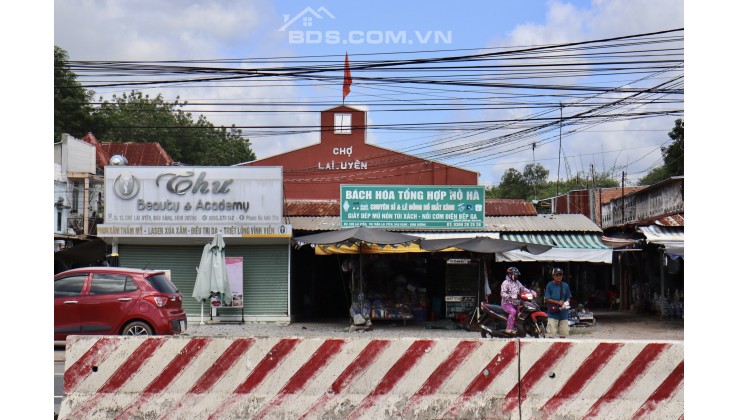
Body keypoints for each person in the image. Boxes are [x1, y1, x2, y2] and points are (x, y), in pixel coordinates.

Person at [500, 267, 532, 335]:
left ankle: (517, 330)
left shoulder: (517, 282)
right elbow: (503, 293)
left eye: (517, 275)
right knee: (513, 312)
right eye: (515, 275)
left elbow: (523, 288)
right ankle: (509, 329)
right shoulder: (505, 283)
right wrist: (512, 296)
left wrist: (531, 292)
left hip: (516, 304)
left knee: (520, 315)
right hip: (506, 304)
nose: (516, 276)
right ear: (510, 274)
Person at [544, 267, 573, 338]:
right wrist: (557, 302)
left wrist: (566, 302)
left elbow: (568, 297)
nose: (559, 277)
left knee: (563, 333)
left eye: (560, 275)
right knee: (551, 333)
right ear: (553, 276)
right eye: (557, 275)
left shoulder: (565, 285)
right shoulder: (549, 285)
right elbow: (547, 298)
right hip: (553, 313)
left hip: (563, 313)